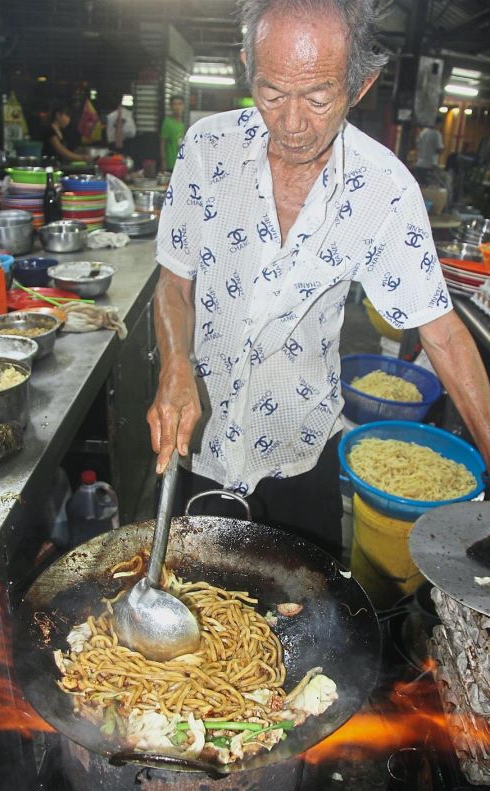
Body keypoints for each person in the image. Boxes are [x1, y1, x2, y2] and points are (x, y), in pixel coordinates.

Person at [147, 0, 490, 558]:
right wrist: (176, 364)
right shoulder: (207, 149)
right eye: (272, 93)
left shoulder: (385, 189)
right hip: (196, 439)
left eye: (317, 97)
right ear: (247, 66)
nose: (291, 122)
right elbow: (174, 282)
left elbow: (444, 332)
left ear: (359, 87)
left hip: (299, 451)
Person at [159, 95, 186, 173]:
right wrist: (163, 161)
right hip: (170, 163)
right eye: (175, 104)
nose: (177, 107)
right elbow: (162, 143)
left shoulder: (182, 123)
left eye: (180, 104)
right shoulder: (167, 122)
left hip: (180, 162)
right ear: (171, 106)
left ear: (183, 106)